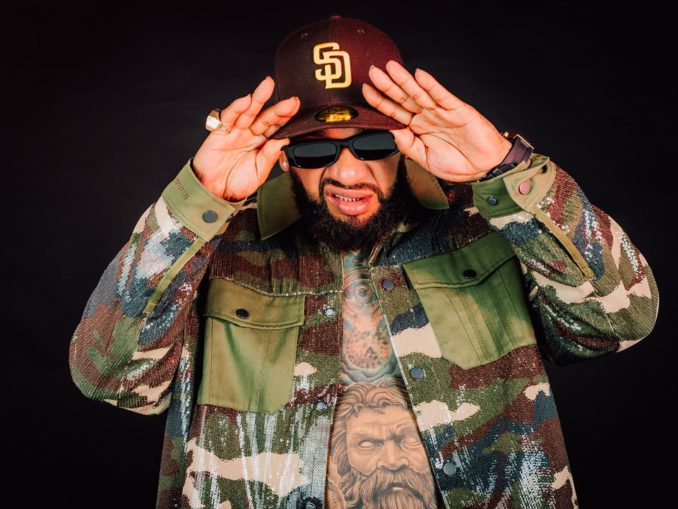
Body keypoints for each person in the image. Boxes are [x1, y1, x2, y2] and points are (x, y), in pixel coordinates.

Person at [68, 15, 660, 509]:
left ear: (404, 140)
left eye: (372, 144)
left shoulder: (487, 222)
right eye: (316, 151)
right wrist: (196, 202)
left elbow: (619, 321)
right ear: (283, 153)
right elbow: (111, 379)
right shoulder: (218, 246)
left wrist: (506, 170)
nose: (347, 173)